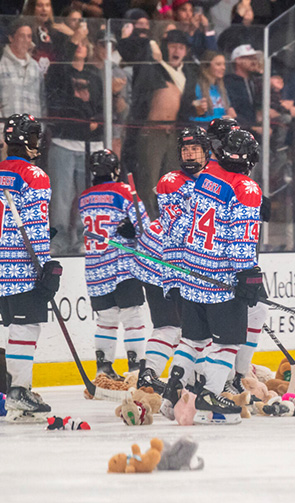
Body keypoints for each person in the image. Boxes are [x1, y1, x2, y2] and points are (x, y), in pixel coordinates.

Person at [161, 129, 262, 424]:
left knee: (193, 339)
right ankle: (210, 398)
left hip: (192, 272)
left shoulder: (206, 177)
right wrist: (246, 271)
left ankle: (171, 392)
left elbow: (184, 223)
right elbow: (239, 238)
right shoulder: (246, 188)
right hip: (221, 279)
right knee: (228, 342)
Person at [133, 126, 211, 394]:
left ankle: (176, 377)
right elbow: (179, 228)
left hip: (176, 261)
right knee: (174, 325)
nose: (189, 154)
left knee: (183, 327)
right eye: (185, 149)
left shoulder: (214, 181)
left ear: (207, 151)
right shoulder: (172, 181)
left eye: (195, 149)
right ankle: (157, 375)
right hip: (161, 260)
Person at [0, 114, 62, 421]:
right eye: (35, 137)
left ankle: (17, 389)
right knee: (26, 327)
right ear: (27, 141)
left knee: (13, 327)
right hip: (19, 265)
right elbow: (35, 226)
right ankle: (18, 391)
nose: (38, 143)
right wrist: (44, 264)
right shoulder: (34, 175)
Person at [79, 149, 150, 379]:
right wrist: (135, 232)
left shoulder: (84, 198)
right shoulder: (123, 190)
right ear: (115, 170)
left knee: (106, 320)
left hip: (95, 269)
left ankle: (103, 368)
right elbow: (144, 226)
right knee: (132, 317)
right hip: (121, 267)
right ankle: (136, 368)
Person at [45, 38, 103, 255]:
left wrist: (96, 119)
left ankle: (82, 237)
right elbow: (57, 103)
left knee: (86, 194)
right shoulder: (58, 72)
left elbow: (101, 105)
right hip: (64, 141)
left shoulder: (95, 76)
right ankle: (58, 238)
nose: (80, 45)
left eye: (83, 42)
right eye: (75, 42)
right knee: (61, 196)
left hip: (91, 144)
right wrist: (80, 111)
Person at [134, 29, 192, 219]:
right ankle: (148, 224)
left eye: (181, 47)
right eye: (173, 46)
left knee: (172, 180)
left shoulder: (188, 74)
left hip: (175, 133)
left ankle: (169, 221)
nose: (177, 51)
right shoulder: (154, 68)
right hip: (154, 132)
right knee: (150, 180)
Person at [0, 19, 45, 120]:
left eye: (29, 36)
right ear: (11, 38)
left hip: (32, 132)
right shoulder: (2, 64)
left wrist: (40, 128)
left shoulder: (35, 67)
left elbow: (42, 102)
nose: (26, 40)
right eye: (22, 36)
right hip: (6, 132)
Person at [188, 50, 236, 123]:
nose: (223, 68)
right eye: (218, 64)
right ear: (207, 66)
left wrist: (230, 114)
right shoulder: (197, 88)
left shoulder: (222, 89)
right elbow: (191, 118)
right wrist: (218, 119)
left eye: (224, 64)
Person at [224, 44, 259, 129]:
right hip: (239, 128)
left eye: (254, 58)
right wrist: (251, 127)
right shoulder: (229, 82)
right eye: (249, 58)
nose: (253, 62)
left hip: (255, 127)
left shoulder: (254, 81)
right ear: (238, 60)